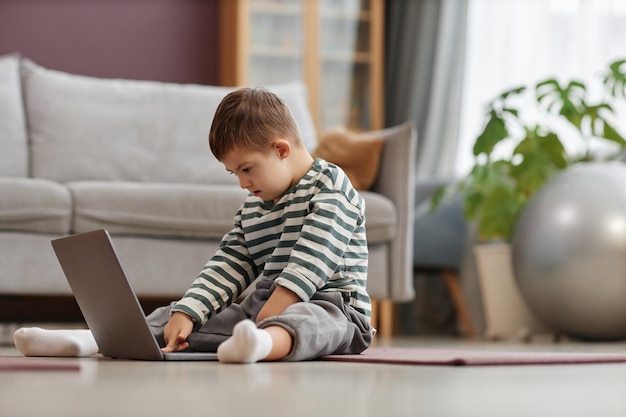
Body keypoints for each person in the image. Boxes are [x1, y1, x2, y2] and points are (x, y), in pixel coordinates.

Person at [14, 87, 374, 363]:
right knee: (179, 319)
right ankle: (91, 340)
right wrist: (190, 311)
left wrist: (269, 317)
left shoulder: (331, 186)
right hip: (265, 304)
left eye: (246, 169)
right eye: (234, 173)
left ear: (280, 149)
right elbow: (229, 263)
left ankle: (261, 344)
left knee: (309, 321)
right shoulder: (254, 206)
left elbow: (314, 256)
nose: (242, 184)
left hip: (334, 305)